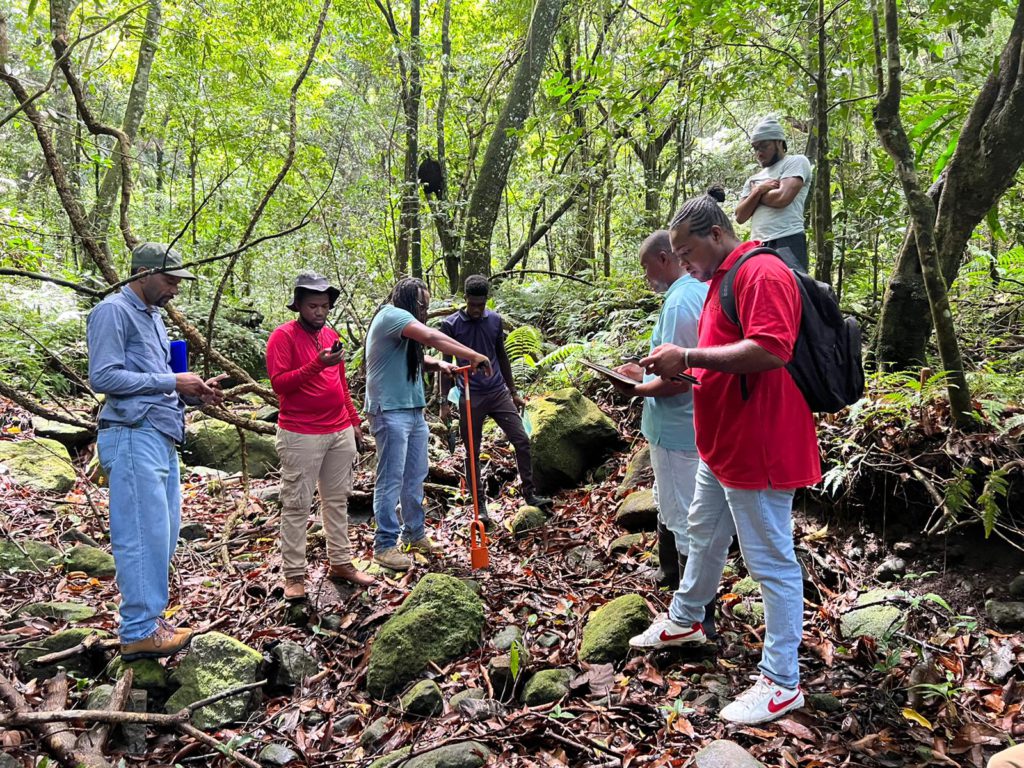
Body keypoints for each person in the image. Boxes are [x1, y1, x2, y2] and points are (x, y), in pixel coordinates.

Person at [628, 187, 821, 726]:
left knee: (770, 561)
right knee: (703, 529)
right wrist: (674, 370)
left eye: (686, 253)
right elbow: (721, 361)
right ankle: (688, 617)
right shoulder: (719, 280)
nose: (682, 265)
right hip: (723, 442)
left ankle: (782, 682)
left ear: (716, 234)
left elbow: (771, 348)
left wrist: (684, 353)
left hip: (758, 442)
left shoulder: (762, 273)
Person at [88, 242, 224, 661]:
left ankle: (150, 622)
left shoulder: (153, 319)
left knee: (163, 536)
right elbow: (104, 376)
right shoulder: (112, 311)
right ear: (142, 274)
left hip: (160, 434)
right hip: (131, 434)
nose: (175, 291)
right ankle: (138, 631)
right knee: (141, 536)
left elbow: (160, 381)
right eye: (169, 281)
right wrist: (172, 382)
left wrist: (195, 394)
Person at [610, 232, 716, 634]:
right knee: (670, 505)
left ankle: (696, 617)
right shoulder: (696, 292)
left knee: (684, 513)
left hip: (677, 429)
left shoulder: (680, 299)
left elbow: (683, 377)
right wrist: (641, 371)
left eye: (645, 267)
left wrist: (636, 389)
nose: (646, 276)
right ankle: (674, 581)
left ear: (662, 258)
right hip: (683, 427)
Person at [364, 277, 492, 571]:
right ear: (410, 301)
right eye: (423, 304)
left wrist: (439, 364)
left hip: (412, 410)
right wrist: (471, 354)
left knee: (415, 474)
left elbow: (414, 356)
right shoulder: (393, 315)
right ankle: (384, 545)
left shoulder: (402, 325)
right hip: (390, 411)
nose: (426, 310)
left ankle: (414, 533)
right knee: (391, 478)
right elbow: (432, 338)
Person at [266, 272, 374, 600]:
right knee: (297, 504)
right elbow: (280, 384)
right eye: (313, 306)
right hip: (300, 433)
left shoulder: (331, 335)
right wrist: (316, 364)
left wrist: (354, 421)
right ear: (298, 305)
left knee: (337, 500)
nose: (319, 312)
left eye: (325, 306)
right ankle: (294, 576)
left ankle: (341, 561)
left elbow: (340, 384)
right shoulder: (282, 337)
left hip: (338, 429)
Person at [438, 275, 551, 521]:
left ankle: (530, 494)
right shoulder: (451, 325)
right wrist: (443, 401)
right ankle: (480, 508)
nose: (478, 310)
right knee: (472, 452)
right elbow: (444, 365)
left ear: (486, 300)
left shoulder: (495, 321)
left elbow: (502, 356)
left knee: (521, 440)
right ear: (465, 299)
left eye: (482, 304)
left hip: (498, 391)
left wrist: (513, 392)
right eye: (473, 304)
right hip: (470, 394)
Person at [735, 117, 813, 272]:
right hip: (758, 245)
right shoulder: (753, 179)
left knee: (791, 288)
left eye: (764, 146)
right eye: (756, 148)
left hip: (787, 239)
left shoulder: (796, 162)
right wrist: (759, 190)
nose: (759, 153)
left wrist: (755, 195)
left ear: (779, 142)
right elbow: (740, 216)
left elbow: (782, 198)